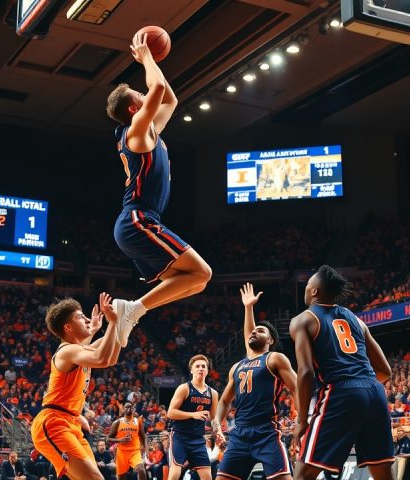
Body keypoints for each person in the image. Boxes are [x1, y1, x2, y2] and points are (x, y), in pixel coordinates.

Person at [105, 31, 212, 347]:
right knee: (202, 273)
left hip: (142, 221)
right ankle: (133, 310)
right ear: (132, 109)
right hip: (137, 220)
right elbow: (160, 89)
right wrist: (146, 57)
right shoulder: (135, 132)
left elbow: (169, 99)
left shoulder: (149, 130)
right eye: (139, 94)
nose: (145, 93)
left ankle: (133, 311)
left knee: (195, 282)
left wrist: (150, 62)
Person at [289, 265, 394, 480]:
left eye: (307, 285)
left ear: (315, 291)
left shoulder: (303, 320)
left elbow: (306, 372)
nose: (305, 288)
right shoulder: (357, 320)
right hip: (375, 391)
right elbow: (385, 371)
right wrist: (362, 392)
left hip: (341, 391)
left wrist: (301, 421)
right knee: (383, 473)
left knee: (303, 474)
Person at [212, 283, 297, 480]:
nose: (254, 332)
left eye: (261, 331)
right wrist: (217, 421)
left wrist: (302, 420)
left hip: (266, 432)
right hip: (239, 434)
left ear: (270, 341)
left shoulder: (274, 358)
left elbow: (298, 388)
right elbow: (224, 401)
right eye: (254, 330)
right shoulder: (237, 366)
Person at [30, 294, 121, 480]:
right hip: (54, 423)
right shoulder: (68, 350)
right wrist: (113, 323)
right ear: (68, 327)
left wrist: (119, 326)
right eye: (81, 317)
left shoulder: (77, 350)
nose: (87, 319)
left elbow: (110, 357)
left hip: (71, 422)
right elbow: (102, 358)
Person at [167, 355, 219, 480]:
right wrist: (193, 415)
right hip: (180, 436)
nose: (201, 368)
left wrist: (219, 432)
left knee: (207, 477)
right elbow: (170, 413)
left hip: (198, 439)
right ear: (191, 370)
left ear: (207, 370)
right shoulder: (184, 388)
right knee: (174, 475)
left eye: (203, 366)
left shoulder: (213, 393)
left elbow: (213, 419)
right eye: (197, 366)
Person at [108, 401, 147, 480]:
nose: (128, 409)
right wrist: (121, 440)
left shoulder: (138, 421)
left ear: (133, 409)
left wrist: (144, 448)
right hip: (122, 452)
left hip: (134, 451)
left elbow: (143, 436)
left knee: (141, 470)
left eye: (130, 407)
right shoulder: (117, 422)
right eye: (126, 407)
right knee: (121, 477)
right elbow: (108, 439)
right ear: (123, 409)